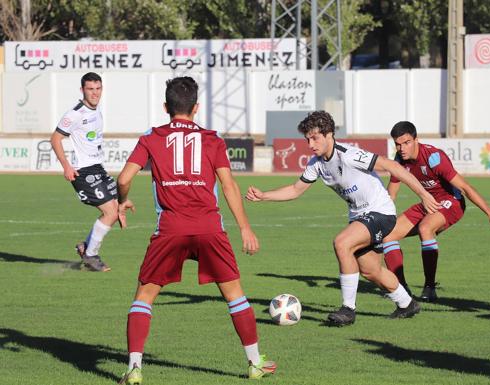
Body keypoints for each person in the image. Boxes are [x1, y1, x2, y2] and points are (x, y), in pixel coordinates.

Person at [115, 76, 275, 383]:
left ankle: (134, 367)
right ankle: (255, 363)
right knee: (235, 296)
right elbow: (228, 185)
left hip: (170, 229)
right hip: (209, 227)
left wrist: (122, 201)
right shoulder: (212, 138)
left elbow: (124, 179)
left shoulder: (151, 137)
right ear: (196, 107)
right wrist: (245, 228)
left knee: (144, 297)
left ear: (166, 106)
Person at [246, 111, 441, 326]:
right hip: (360, 216)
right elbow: (295, 190)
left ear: (329, 135)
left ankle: (348, 310)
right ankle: (407, 304)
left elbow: (391, 166)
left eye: (315, 138)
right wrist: (264, 196)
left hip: (380, 212)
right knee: (370, 270)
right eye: (307, 139)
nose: (310, 144)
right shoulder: (316, 163)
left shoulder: (348, 154)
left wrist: (424, 194)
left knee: (342, 242)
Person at [381, 121, 490, 301]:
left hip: (451, 201)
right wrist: (380, 219)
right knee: (387, 235)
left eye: (407, 142)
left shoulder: (434, 157)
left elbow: (465, 187)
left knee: (426, 228)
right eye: (398, 144)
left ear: (416, 139)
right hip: (428, 203)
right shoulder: (399, 160)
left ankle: (430, 287)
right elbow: (391, 194)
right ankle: (400, 290)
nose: (402, 148)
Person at [50, 72, 118, 272]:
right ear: (82, 90)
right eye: (90, 89)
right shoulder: (75, 114)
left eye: (98, 89)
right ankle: (91, 255)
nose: (95, 93)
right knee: (110, 212)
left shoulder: (96, 110)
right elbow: (55, 139)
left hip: (98, 167)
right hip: (83, 170)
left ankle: (85, 247)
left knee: (115, 210)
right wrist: (66, 166)